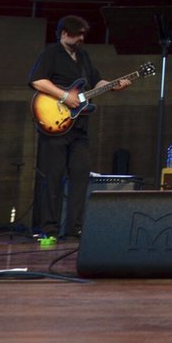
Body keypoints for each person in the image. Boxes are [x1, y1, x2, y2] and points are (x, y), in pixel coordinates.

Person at [29, 15, 135, 240]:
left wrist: (116, 85)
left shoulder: (84, 57)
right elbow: (37, 81)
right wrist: (65, 96)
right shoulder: (51, 53)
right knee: (53, 178)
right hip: (54, 127)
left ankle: (74, 228)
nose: (81, 38)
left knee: (80, 176)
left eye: (83, 34)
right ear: (64, 33)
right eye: (78, 34)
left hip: (79, 129)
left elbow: (96, 83)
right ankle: (49, 229)